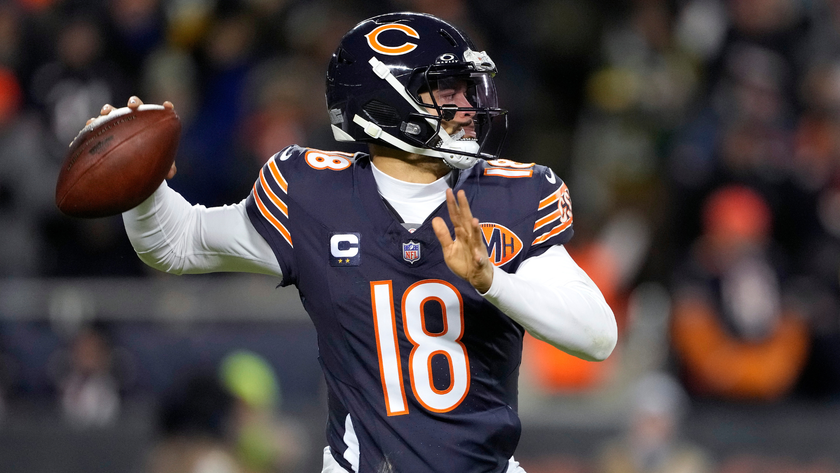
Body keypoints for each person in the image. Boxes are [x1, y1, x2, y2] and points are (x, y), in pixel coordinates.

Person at [90, 12, 617, 473]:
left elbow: (596, 337)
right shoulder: (315, 192)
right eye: (447, 90)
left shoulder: (511, 195)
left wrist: (492, 280)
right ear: (387, 102)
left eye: (466, 87)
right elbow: (176, 244)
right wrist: (142, 186)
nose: (466, 105)